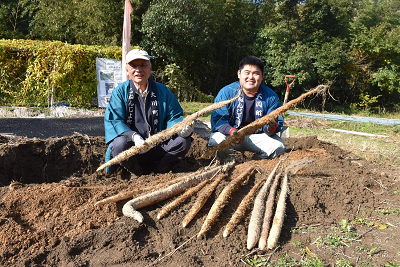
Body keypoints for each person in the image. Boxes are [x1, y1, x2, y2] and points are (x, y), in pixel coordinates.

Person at [104, 49, 193, 175]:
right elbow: (115, 121)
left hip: (158, 146)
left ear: (150, 68)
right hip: (132, 148)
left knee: (183, 141)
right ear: (127, 69)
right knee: (119, 144)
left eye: (143, 65)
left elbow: (174, 116)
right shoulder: (120, 92)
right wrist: (134, 136)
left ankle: (158, 172)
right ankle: (136, 172)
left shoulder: (163, 91)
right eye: (134, 66)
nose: (138, 70)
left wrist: (180, 127)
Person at [208, 56, 286, 159]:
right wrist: (232, 131)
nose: (251, 77)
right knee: (216, 141)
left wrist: (270, 128)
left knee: (278, 147)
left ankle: (254, 164)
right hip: (231, 135)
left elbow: (276, 123)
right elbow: (218, 120)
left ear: (262, 76)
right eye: (247, 73)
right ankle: (228, 163)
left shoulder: (271, 96)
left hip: (258, 136)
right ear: (239, 74)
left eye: (256, 73)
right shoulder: (226, 92)